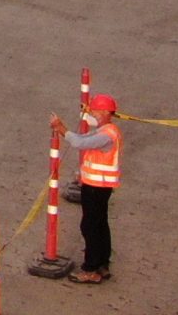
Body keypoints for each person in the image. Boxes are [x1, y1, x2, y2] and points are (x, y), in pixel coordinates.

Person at [61, 94, 122, 283]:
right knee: (101, 224)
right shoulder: (109, 129)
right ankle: (103, 264)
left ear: (104, 112)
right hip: (101, 187)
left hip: (96, 188)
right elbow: (88, 133)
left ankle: (91, 269)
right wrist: (85, 114)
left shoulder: (105, 135)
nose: (92, 113)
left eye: (95, 110)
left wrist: (61, 129)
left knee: (90, 227)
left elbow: (80, 142)